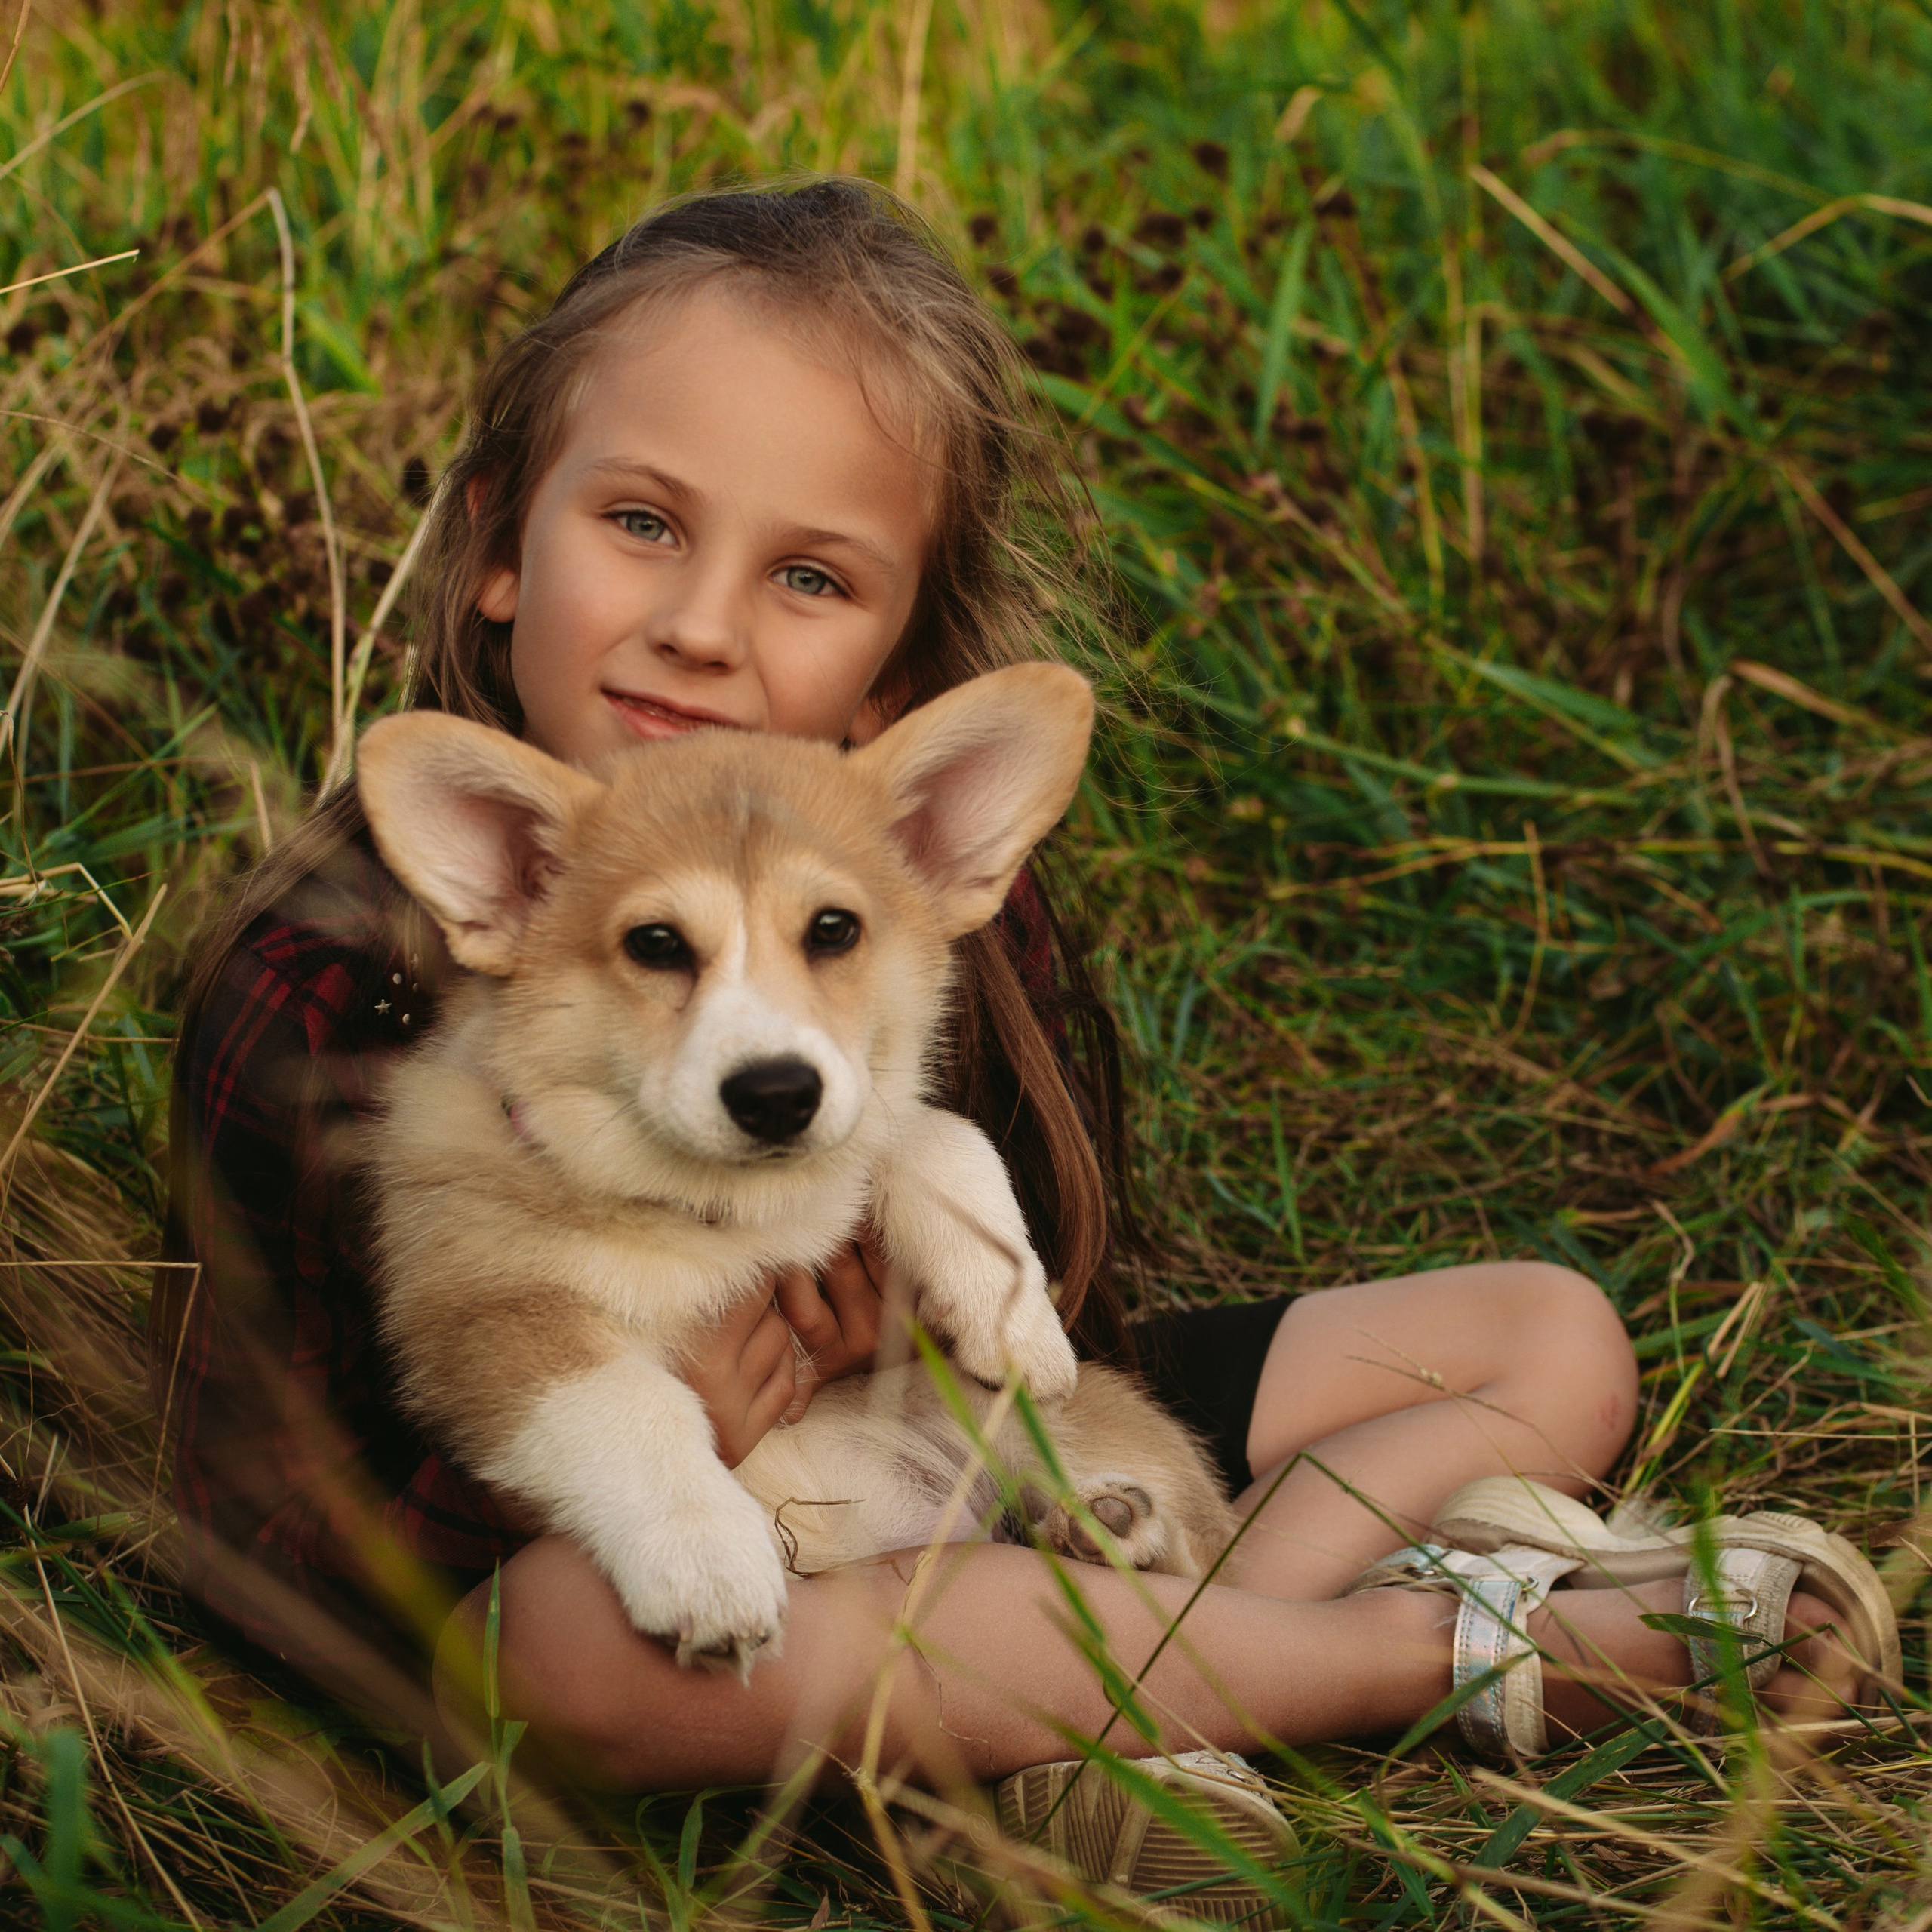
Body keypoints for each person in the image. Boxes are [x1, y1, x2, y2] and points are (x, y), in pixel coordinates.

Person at [155, 177, 1878, 1910]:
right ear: (500, 545)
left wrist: (919, 1277)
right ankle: (1427, 1645)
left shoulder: (900, 883)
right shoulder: (331, 981)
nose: (703, 626)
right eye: (644, 523)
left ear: (899, 680)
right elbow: (281, 1538)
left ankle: (1116, 1708)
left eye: (809, 574)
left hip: (961, 1454)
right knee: (553, 1662)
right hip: (626, 1549)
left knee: (1547, 1332)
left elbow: (1064, 1327)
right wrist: (654, 1429)